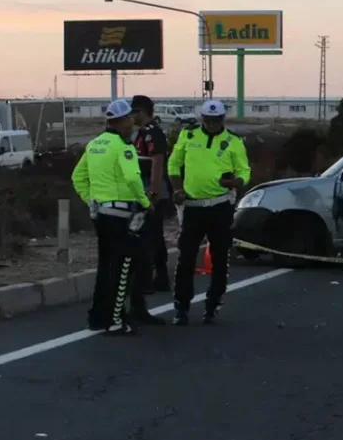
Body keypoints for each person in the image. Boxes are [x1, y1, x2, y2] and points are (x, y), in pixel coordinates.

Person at [71, 99, 152, 335]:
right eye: (130, 119)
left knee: (105, 265)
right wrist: (146, 203)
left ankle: (98, 316)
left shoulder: (95, 144)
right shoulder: (122, 147)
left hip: (102, 214)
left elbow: (77, 177)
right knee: (123, 266)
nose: (133, 123)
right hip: (121, 215)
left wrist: (91, 200)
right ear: (122, 121)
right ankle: (115, 319)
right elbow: (132, 178)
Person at [167, 99, 250, 325]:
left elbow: (245, 170)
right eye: (208, 120)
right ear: (202, 119)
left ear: (223, 119)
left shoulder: (233, 141)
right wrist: (177, 188)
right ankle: (181, 307)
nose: (212, 124)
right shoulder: (189, 136)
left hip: (220, 207)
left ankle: (213, 305)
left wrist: (235, 182)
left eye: (217, 120)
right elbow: (173, 164)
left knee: (220, 258)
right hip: (193, 207)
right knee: (186, 258)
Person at [131, 95, 172, 295]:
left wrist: (153, 192)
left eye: (134, 112)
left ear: (142, 111)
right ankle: (153, 277)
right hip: (143, 188)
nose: (131, 116)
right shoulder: (140, 133)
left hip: (153, 190)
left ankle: (156, 278)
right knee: (148, 235)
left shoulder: (152, 133)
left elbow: (157, 162)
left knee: (151, 236)